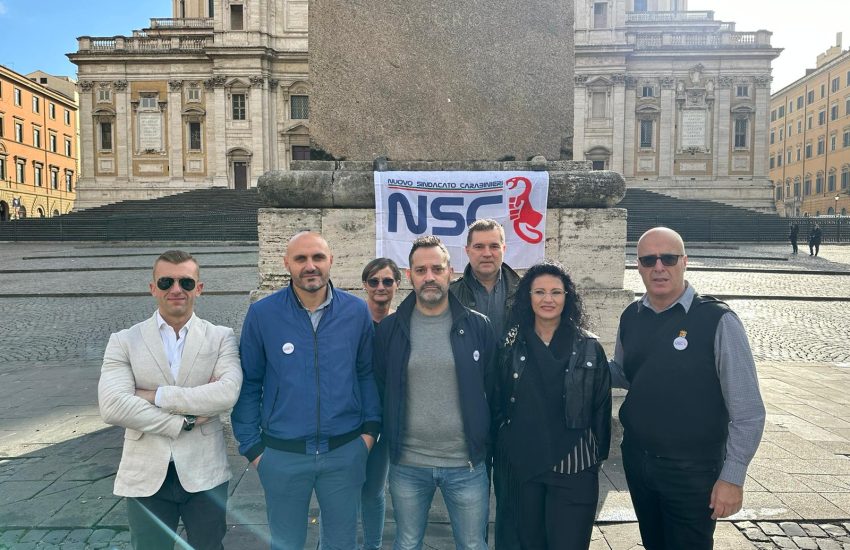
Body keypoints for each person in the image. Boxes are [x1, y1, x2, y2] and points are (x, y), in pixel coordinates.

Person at [610, 227, 765, 550]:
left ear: (684, 261)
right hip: (639, 462)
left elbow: (748, 412)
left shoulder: (718, 320)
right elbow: (625, 374)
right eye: (649, 260)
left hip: (693, 471)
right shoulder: (631, 316)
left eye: (668, 258)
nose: (658, 267)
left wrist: (733, 477)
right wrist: (576, 359)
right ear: (638, 266)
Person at [231, 231, 381, 550]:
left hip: (344, 452)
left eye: (318, 257)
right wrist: (253, 448)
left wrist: (368, 434)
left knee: (341, 544)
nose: (310, 266)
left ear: (331, 261)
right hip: (282, 455)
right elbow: (249, 382)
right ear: (286, 263)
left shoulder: (356, 312)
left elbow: (366, 374)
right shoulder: (263, 314)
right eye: (301, 258)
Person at [98, 250, 243, 550]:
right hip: (145, 471)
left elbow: (227, 393)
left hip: (205, 470)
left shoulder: (221, 337)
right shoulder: (124, 340)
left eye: (186, 282)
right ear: (153, 288)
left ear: (199, 288)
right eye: (166, 282)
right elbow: (112, 406)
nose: (176, 289)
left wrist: (154, 395)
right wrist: (184, 421)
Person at [375, 236, 497, 550]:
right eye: (421, 270)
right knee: (407, 542)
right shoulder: (390, 330)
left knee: (473, 544)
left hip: (466, 464)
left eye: (437, 269)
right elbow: (381, 386)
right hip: (408, 463)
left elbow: (492, 390)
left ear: (450, 272)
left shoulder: (478, 327)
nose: (429, 276)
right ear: (409, 275)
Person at [495, 261, 611, 550]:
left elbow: (601, 408)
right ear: (528, 297)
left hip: (574, 464)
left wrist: (595, 457)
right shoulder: (511, 344)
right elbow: (497, 398)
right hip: (522, 466)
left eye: (556, 292)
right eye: (540, 292)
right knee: (525, 543)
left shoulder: (589, 347)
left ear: (567, 297)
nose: (548, 299)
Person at [450, 218, 521, 340]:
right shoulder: (450, 294)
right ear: (467, 251)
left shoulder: (524, 290)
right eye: (479, 247)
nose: (487, 254)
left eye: (494, 246)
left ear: (503, 249)